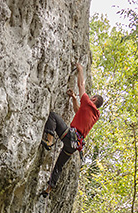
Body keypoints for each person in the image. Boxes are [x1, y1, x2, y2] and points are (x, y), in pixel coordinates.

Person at [40, 62, 103, 196]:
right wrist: (74, 98)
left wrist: (80, 70)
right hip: (75, 145)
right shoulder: (95, 115)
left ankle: (49, 141)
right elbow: (77, 111)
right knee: (59, 165)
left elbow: (81, 85)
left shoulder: (87, 101)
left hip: (69, 136)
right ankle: (48, 189)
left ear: (94, 99)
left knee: (53, 116)